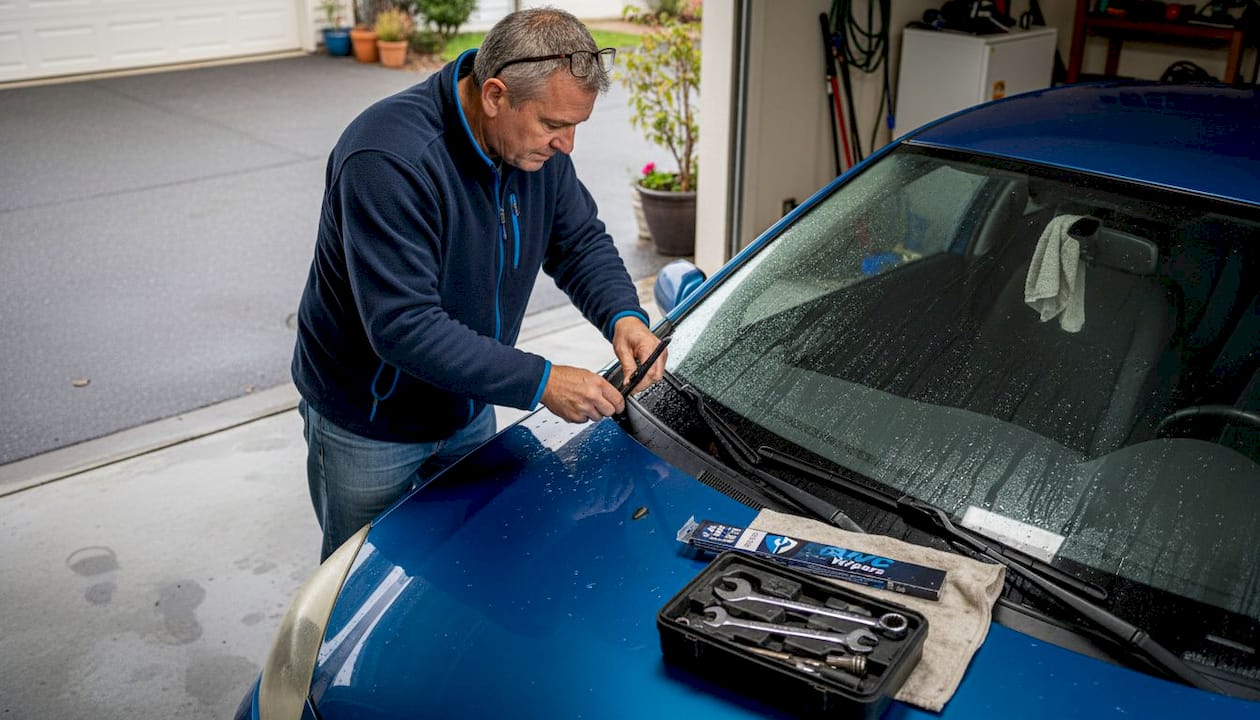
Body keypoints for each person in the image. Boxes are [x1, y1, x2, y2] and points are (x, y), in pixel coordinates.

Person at [291, 7, 666, 561]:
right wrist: (541, 382)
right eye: (554, 125)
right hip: (369, 425)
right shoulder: (387, 158)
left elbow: (578, 241)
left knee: (472, 567)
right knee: (359, 587)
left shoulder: (534, 150)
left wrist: (623, 315)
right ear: (494, 95)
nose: (567, 146)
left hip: (469, 406)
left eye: (576, 126)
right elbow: (403, 326)